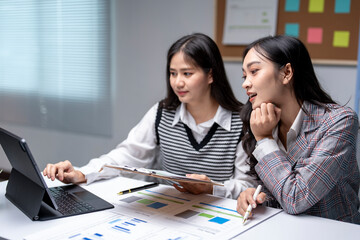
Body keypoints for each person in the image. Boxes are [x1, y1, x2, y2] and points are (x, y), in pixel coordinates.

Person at [43, 33, 257, 199]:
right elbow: (127, 155)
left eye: (187, 73)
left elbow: (247, 186)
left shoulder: (241, 121)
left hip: (218, 216)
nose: (178, 82)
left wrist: (210, 188)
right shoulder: (162, 112)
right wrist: (82, 173)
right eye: (173, 73)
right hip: (167, 210)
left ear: (210, 75)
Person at [237, 35, 360, 224]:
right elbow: (280, 188)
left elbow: (297, 198)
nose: (245, 83)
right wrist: (255, 196)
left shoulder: (340, 121)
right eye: (245, 76)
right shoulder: (263, 120)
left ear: (286, 72)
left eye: (254, 71)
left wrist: (264, 140)